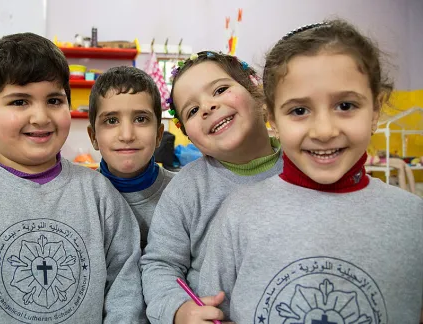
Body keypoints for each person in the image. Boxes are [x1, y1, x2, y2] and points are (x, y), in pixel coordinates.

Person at [198, 19, 423, 323]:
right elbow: (212, 311)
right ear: (272, 120)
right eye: (299, 111)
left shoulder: (413, 219)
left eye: (345, 105)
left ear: (376, 110)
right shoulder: (238, 215)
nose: (324, 130)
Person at [0, 33, 146, 323]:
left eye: (54, 100)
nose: (40, 117)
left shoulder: (99, 194)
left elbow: (126, 293)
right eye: (20, 101)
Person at [140, 51, 283, 324]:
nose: (207, 107)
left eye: (220, 89)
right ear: (188, 133)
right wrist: (179, 311)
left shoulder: (304, 168)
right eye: (192, 110)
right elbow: (160, 265)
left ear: (256, 92)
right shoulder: (186, 190)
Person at [87, 66, 175, 247]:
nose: (127, 135)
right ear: (94, 137)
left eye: (140, 119)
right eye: (111, 121)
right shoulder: (82, 198)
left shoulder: (182, 193)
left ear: (159, 135)